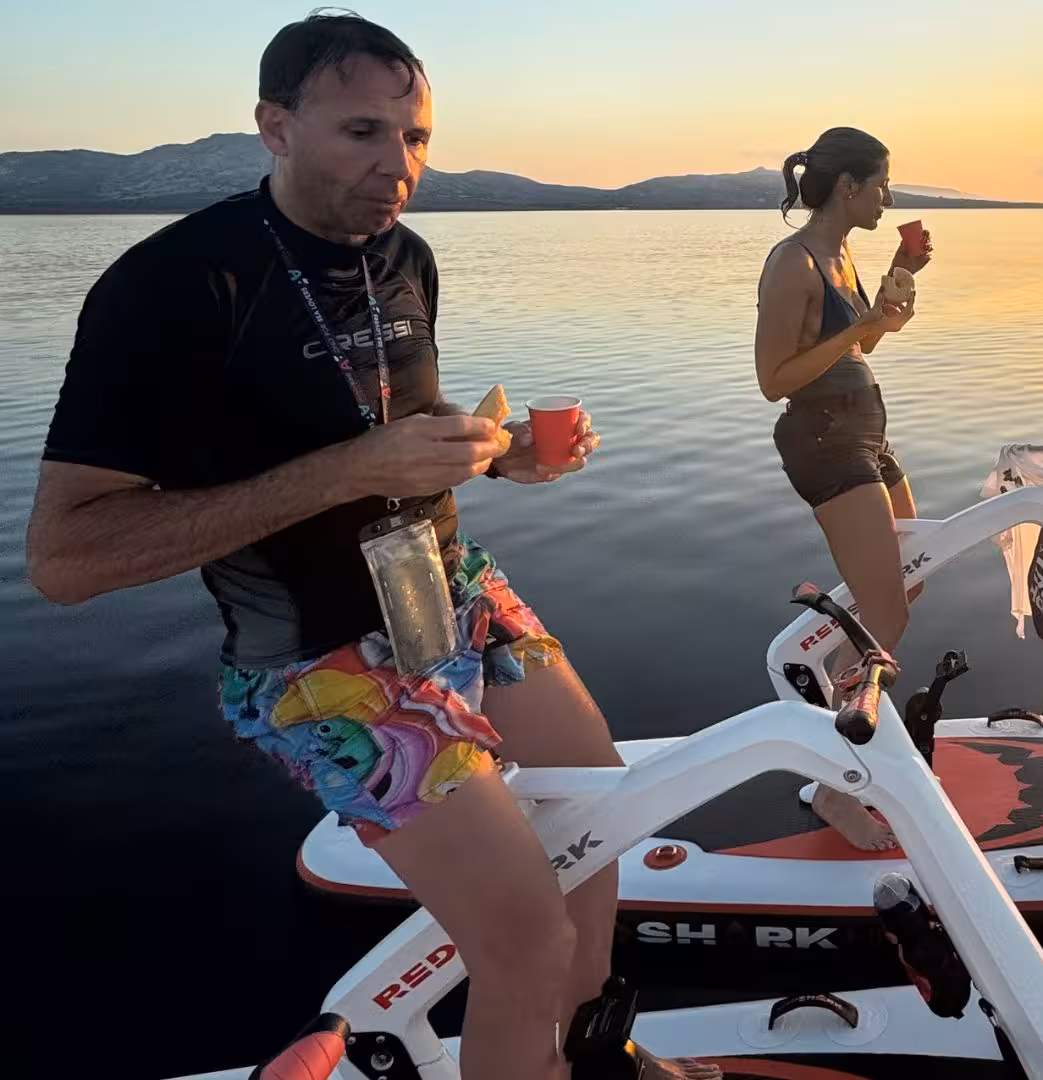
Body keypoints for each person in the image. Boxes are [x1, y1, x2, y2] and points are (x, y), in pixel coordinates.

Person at [23, 14, 714, 1080]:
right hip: (317, 660)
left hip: (450, 589)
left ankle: (593, 1057)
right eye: (362, 132)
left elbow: (389, 423)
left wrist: (498, 457)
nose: (400, 166)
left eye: (417, 136)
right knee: (524, 937)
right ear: (276, 126)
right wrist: (345, 473)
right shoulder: (174, 286)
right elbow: (64, 560)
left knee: (600, 817)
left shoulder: (405, 257)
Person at [753, 127, 933, 849]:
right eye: (882, 184)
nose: (889, 197)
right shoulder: (792, 262)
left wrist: (889, 301)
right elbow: (773, 380)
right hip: (824, 436)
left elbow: (858, 345)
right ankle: (834, 782)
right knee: (887, 609)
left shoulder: (843, 254)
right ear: (849, 186)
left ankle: (829, 672)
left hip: (864, 426)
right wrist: (858, 325)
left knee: (910, 579)